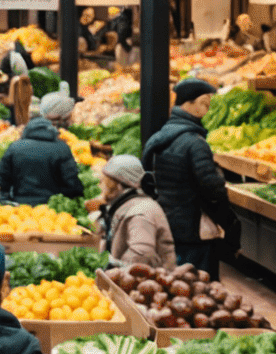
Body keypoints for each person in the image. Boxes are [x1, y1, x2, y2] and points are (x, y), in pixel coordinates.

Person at [141, 77, 239, 278]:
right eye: (204, 104)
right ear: (189, 103)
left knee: (172, 283)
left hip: (166, 222)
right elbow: (212, 188)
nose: (206, 110)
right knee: (197, 286)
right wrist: (230, 224)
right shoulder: (196, 143)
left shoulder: (159, 137)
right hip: (193, 230)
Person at [0, 93, 84, 205]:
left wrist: (7, 194)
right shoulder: (61, 148)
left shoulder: (15, 147)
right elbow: (71, 181)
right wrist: (70, 197)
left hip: (21, 205)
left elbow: (1, 175)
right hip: (51, 209)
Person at [96, 154, 175, 269]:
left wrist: (112, 266)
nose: (100, 185)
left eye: (104, 182)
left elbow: (141, 254)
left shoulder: (140, 212)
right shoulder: (128, 204)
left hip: (147, 284)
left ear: (117, 185)